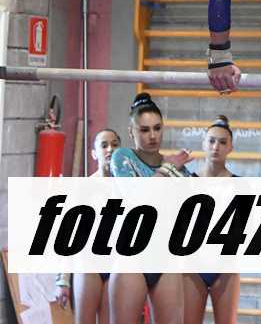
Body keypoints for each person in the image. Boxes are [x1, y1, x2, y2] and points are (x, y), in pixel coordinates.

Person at [109, 92, 193, 324]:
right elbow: (136, 199)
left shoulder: (175, 166)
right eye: (144, 130)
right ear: (131, 132)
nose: (152, 135)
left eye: (157, 128)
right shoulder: (122, 157)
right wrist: (168, 170)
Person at [55, 128, 122, 322]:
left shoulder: (127, 185)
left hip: (116, 264)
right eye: (104, 145)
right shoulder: (83, 188)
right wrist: (63, 280)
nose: (110, 149)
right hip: (89, 262)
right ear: (94, 153)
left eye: (115, 145)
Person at [183, 115, 240, 324]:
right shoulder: (188, 182)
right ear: (204, 144)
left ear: (230, 148)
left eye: (223, 142)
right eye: (212, 141)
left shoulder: (240, 186)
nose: (216, 147)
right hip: (193, 267)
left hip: (225, 268)